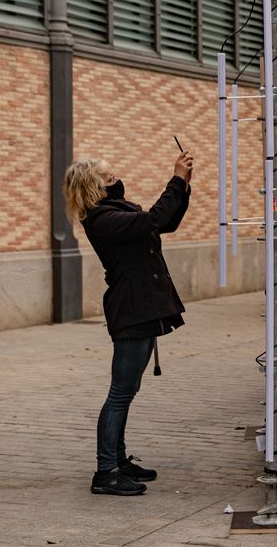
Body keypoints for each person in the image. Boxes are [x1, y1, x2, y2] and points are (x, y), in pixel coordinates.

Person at [63, 151, 193, 496]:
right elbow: (153, 220)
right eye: (108, 177)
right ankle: (105, 471)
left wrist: (184, 186)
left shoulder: (118, 209)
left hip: (142, 307)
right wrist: (176, 179)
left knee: (127, 390)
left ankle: (118, 461)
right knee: (120, 393)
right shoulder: (101, 218)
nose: (115, 177)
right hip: (132, 309)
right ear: (94, 186)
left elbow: (164, 222)